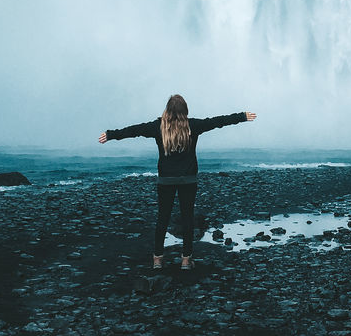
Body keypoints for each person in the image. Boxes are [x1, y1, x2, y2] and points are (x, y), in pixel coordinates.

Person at [99, 93, 256, 270]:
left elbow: (134, 131)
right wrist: (242, 116)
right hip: (188, 180)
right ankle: (186, 260)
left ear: (167, 109)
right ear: (185, 110)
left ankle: (157, 259)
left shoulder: (158, 126)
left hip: (166, 180)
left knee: (162, 219)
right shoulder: (192, 126)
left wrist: (110, 135)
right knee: (187, 218)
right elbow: (217, 122)